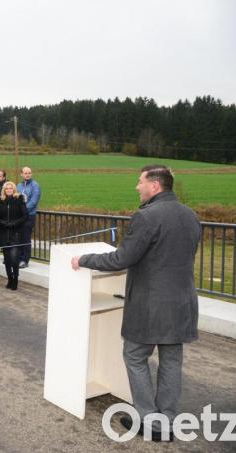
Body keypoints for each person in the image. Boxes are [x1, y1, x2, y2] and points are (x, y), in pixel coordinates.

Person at [71, 165, 201, 441]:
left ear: (155, 185)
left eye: (139, 181)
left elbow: (121, 259)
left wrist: (83, 260)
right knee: (171, 360)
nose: (136, 186)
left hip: (151, 305)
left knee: (135, 356)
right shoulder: (191, 215)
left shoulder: (147, 216)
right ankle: (166, 420)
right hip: (182, 303)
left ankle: (148, 420)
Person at [0, 181, 28, 290]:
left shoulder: (19, 200)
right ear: (4, 190)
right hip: (3, 234)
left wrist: (14, 223)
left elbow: (25, 216)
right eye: (6, 188)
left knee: (14, 259)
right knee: (7, 259)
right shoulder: (0, 201)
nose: (9, 190)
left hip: (15, 233)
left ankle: (15, 279)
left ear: (14, 189)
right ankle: (9, 279)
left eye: (10, 188)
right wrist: (2, 223)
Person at [16, 166, 41, 268]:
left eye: (29, 173)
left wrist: (24, 211)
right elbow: (16, 198)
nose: (27, 174)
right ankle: (18, 258)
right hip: (19, 217)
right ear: (22, 174)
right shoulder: (19, 185)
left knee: (26, 238)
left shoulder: (35, 186)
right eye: (25, 173)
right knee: (18, 238)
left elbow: (34, 201)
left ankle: (24, 260)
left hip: (29, 216)